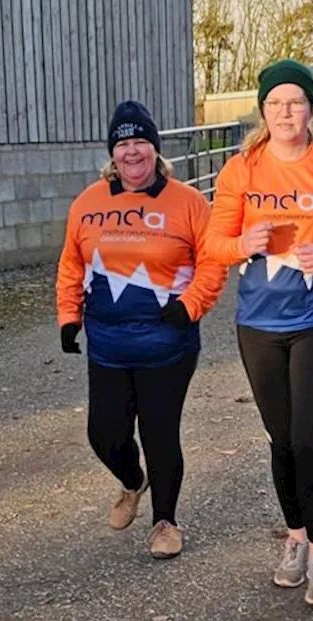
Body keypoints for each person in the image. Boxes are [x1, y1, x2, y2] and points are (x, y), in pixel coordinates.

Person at [204, 59, 313, 606]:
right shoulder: (240, 171)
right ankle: (295, 540)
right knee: (281, 442)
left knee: (309, 440)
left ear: (311, 110)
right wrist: (242, 246)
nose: (286, 112)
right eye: (276, 103)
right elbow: (213, 244)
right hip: (257, 326)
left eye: (296, 102)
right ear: (262, 110)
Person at [56, 100, 227, 559]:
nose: (132, 152)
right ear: (113, 153)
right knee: (104, 434)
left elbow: (213, 263)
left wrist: (191, 306)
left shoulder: (188, 202)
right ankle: (133, 481)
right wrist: (68, 316)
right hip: (108, 344)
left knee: (159, 431)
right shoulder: (88, 203)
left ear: (155, 148)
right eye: (123, 143)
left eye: (141, 142)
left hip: (168, 345)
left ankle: (165, 521)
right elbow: (72, 262)